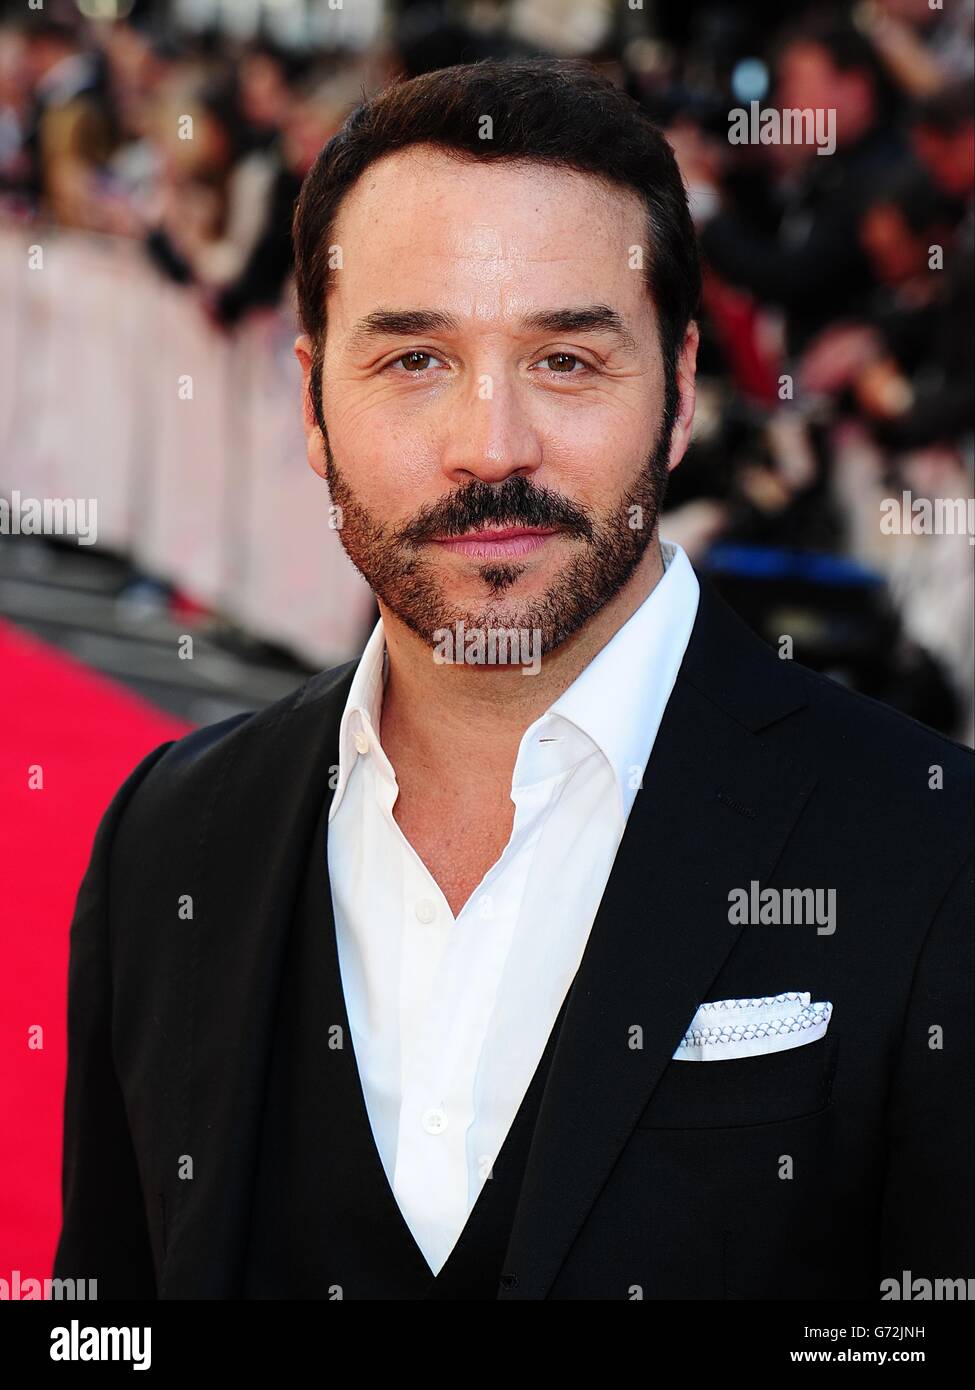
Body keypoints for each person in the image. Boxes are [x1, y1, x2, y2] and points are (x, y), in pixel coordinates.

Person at [53, 57, 973, 1301]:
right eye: (415, 361)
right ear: (314, 401)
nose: (493, 445)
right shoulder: (169, 841)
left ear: (684, 391)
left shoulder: (932, 847)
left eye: (567, 362)